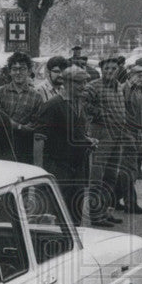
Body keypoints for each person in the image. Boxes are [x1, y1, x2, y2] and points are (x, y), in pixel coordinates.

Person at [34, 66, 93, 223]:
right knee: (58, 215)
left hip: (77, 169)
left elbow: (75, 131)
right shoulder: (52, 106)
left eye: (85, 82)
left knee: (75, 216)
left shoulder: (79, 104)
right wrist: (39, 172)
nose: (83, 86)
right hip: (59, 169)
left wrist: (87, 139)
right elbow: (39, 139)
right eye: (79, 82)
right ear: (66, 83)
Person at [82, 57, 127, 226]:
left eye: (113, 68)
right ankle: (95, 215)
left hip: (117, 134)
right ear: (101, 69)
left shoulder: (119, 87)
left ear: (119, 70)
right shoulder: (94, 86)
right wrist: (100, 114)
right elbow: (82, 102)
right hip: (101, 133)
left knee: (111, 175)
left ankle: (106, 211)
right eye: (106, 68)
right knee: (97, 176)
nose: (110, 71)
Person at [0, 51, 44, 164]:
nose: (18, 72)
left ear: (29, 71)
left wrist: (16, 126)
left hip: (25, 147)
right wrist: (21, 127)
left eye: (22, 69)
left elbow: (35, 124)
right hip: (1, 144)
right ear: (10, 72)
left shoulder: (36, 97)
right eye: (14, 69)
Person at [116, 64, 142, 214]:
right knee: (129, 169)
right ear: (131, 75)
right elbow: (121, 114)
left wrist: (141, 133)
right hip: (126, 134)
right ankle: (131, 203)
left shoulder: (138, 91)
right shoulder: (123, 90)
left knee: (129, 169)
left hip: (136, 133)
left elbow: (139, 114)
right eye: (140, 76)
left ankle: (113, 199)